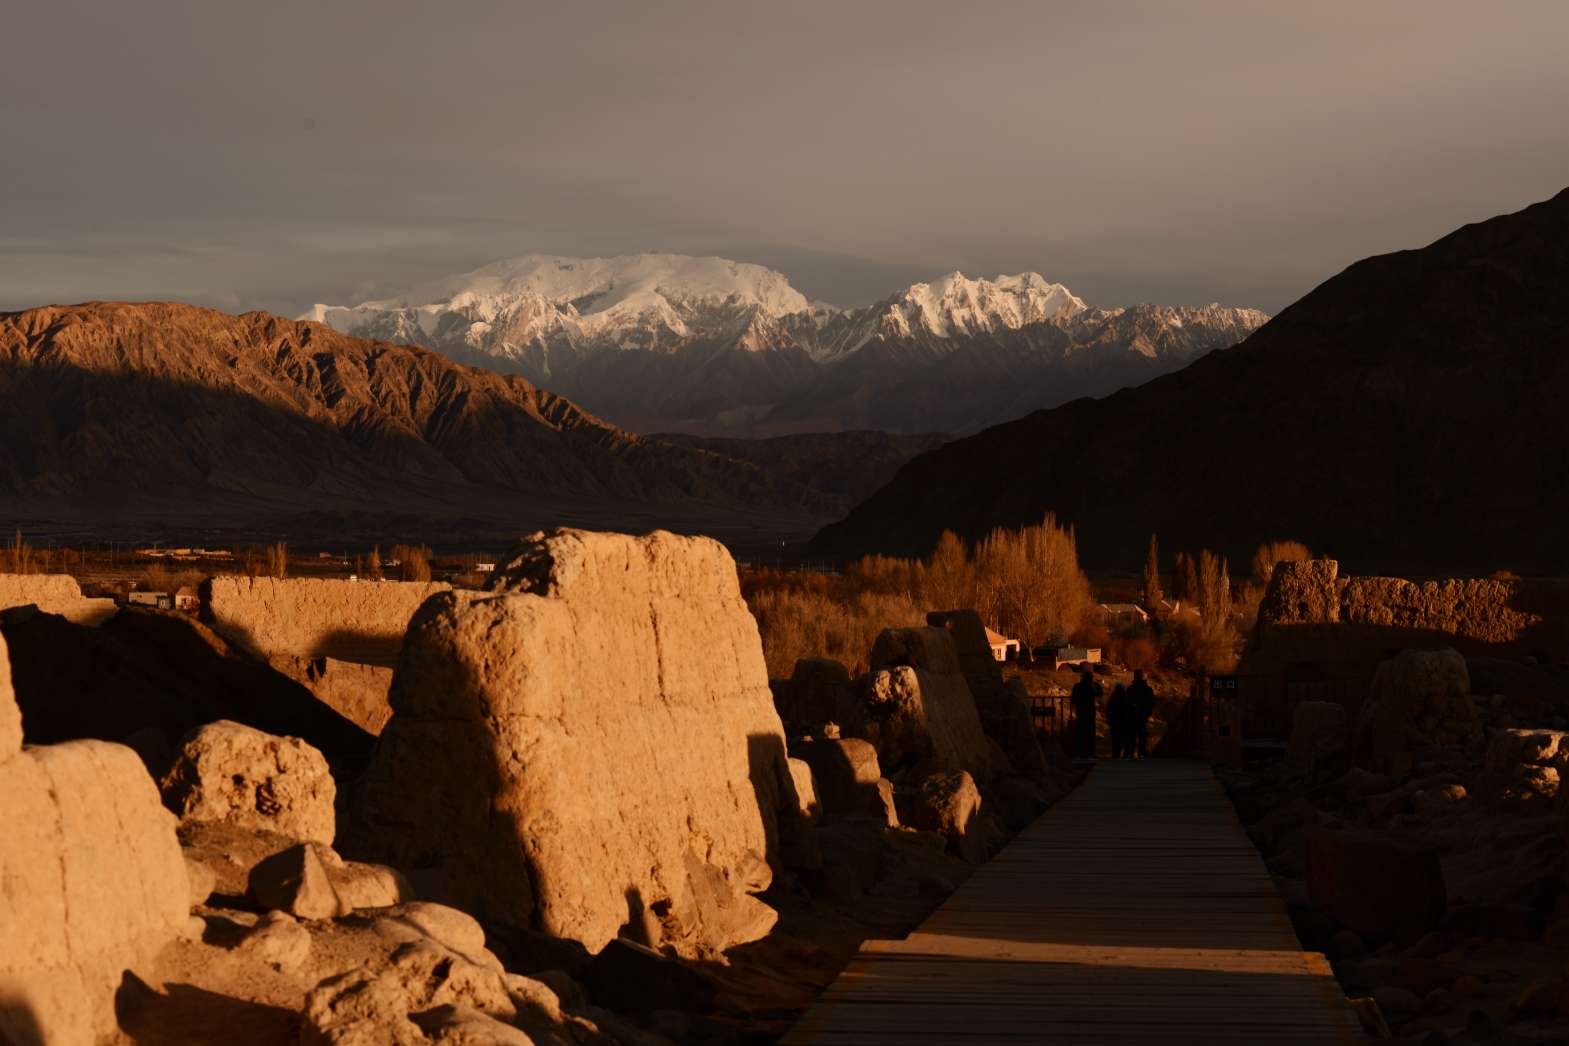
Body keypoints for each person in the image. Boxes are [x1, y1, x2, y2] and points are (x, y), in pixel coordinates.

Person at [1069, 668, 1102, 759]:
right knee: (1088, 734)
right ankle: (1088, 753)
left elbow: (1073, 699)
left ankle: (1083, 753)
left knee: (1083, 734)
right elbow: (1099, 693)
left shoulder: (1079, 686)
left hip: (1084, 712)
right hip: (1087, 712)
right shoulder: (1084, 686)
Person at [1127, 669, 1157, 759]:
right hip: (1142, 716)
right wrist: (1147, 713)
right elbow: (1151, 703)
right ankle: (1141, 754)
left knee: (1132, 736)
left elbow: (1127, 702)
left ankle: (1131, 754)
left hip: (1133, 716)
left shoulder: (1131, 689)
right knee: (1142, 736)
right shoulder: (1147, 689)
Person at [1106, 683, 1131, 759]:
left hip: (1115, 721)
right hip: (1123, 721)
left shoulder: (1114, 698)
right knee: (1122, 738)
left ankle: (1116, 754)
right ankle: (1124, 754)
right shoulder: (1125, 698)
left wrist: (1109, 719)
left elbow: (1108, 709)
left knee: (1115, 739)